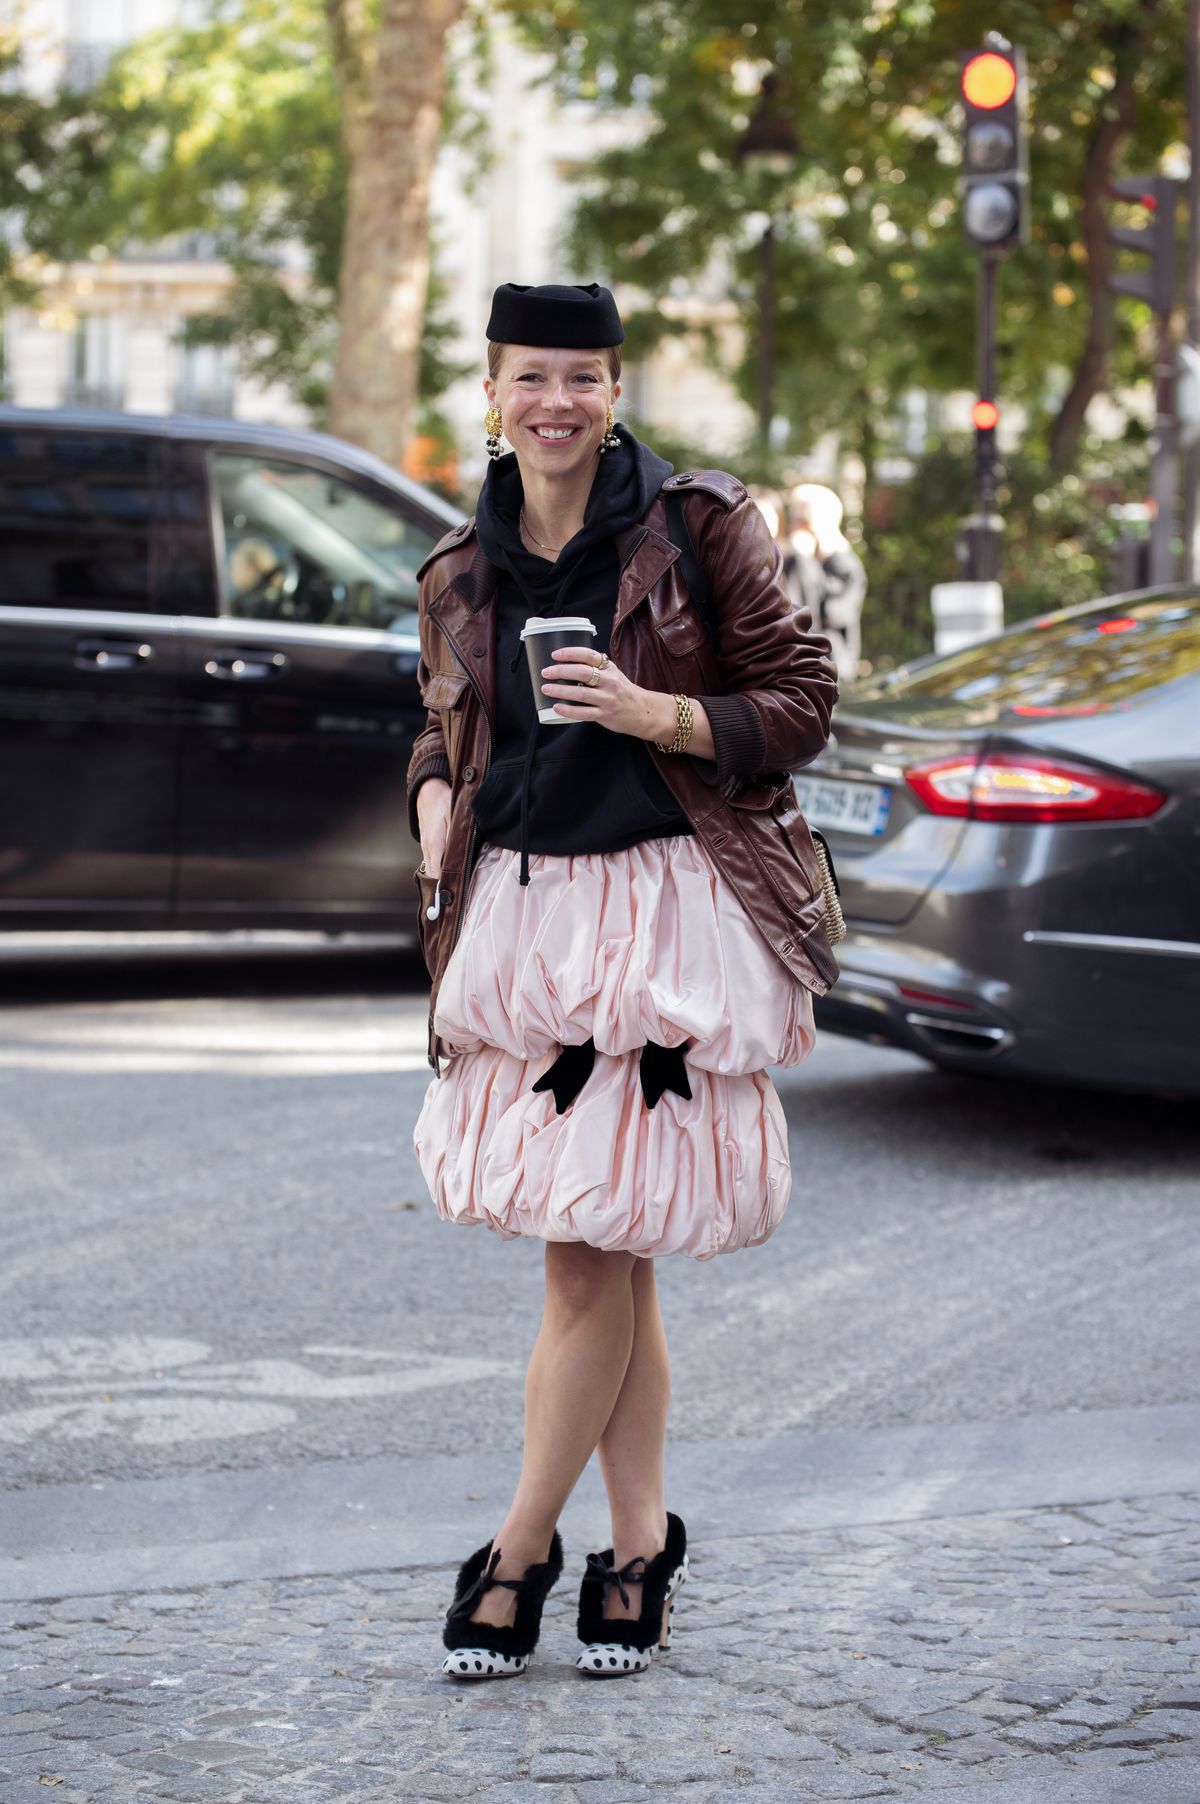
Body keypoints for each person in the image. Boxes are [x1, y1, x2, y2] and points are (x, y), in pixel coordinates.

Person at [406, 281, 839, 1682]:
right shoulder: (460, 564)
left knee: (587, 1250)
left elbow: (800, 701)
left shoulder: (697, 527)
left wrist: (657, 713)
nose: (559, 403)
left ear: (613, 390)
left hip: (664, 913)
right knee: (611, 1251)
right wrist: (427, 806)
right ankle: (641, 1541)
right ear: (491, 388)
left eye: (585, 378)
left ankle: (518, 1551)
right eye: (534, 377)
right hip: (527, 925)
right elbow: (438, 732)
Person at [787, 483, 867, 684]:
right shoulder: (800, 560)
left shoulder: (844, 564)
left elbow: (827, 614)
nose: (797, 527)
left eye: (802, 520)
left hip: (832, 667)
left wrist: (803, 560)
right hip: (803, 664)